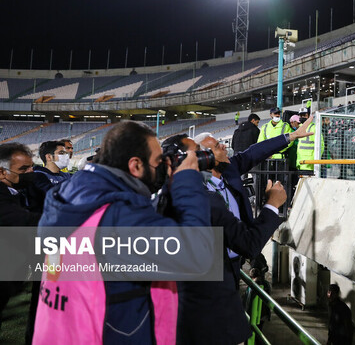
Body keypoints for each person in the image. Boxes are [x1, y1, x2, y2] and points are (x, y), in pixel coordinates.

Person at [33, 121, 213, 345]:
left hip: (62, 332)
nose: (161, 167)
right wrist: (187, 179)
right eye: (157, 162)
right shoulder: (115, 218)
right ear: (135, 165)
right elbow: (197, 254)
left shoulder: (69, 195)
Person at [176, 117, 314, 345]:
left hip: (235, 264)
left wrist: (290, 136)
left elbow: (254, 152)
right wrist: (272, 206)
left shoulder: (229, 169)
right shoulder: (197, 193)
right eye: (216, 145)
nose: (224, 146)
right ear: (203, 158)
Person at [0, 143, 42, 335]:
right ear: (2, 172)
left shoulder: (13, 192)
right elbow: (24, 221)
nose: (30, 172)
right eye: (23, 169)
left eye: (31, 166)